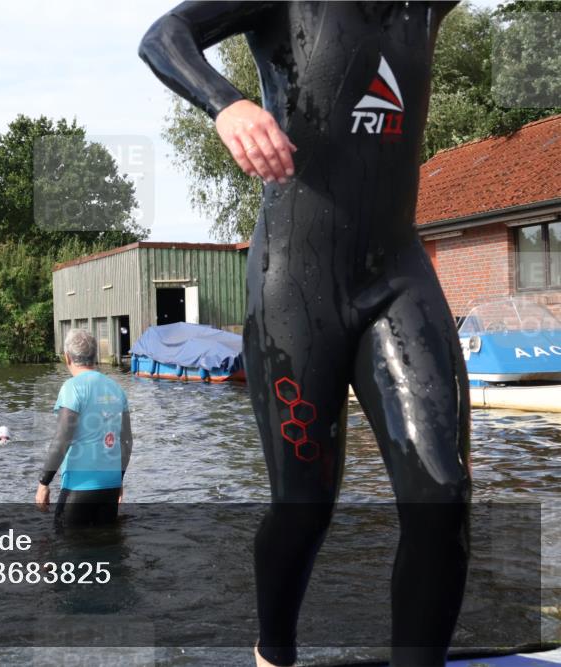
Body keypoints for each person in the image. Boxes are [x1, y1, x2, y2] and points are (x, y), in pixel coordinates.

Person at [138, 4, 470, 666]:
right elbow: (163, 38)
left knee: (442, 493)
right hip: (296, 288)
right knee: (304, 506)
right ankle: (275, 651)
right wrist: (226, 104)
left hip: (397, 276)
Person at [36, 329, 133, 530]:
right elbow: (126, 442)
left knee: (66, 551)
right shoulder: (117, 389)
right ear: (95, 357)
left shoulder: (72, 388)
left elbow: (62, 438)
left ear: (67, 357)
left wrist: (44, 482)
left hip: (79, 487)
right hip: (111, 487)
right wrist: (119, 477)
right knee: (105, 550)